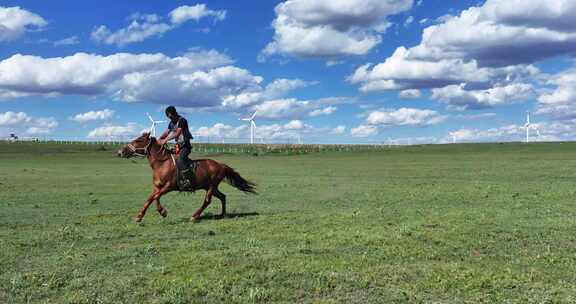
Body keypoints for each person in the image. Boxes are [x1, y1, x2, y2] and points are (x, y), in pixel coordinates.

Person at [157, 106, 194, 189]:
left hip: (185, 146)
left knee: (181, 160)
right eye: (168, 117)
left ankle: (188, 180)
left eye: (171, 117)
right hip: (178, 146)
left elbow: (177, 133)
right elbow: (167, 132)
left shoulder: (182, 120)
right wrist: (159, 139)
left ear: (175, 114)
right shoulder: (171, 123)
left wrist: (165, 140)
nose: (170, 119)